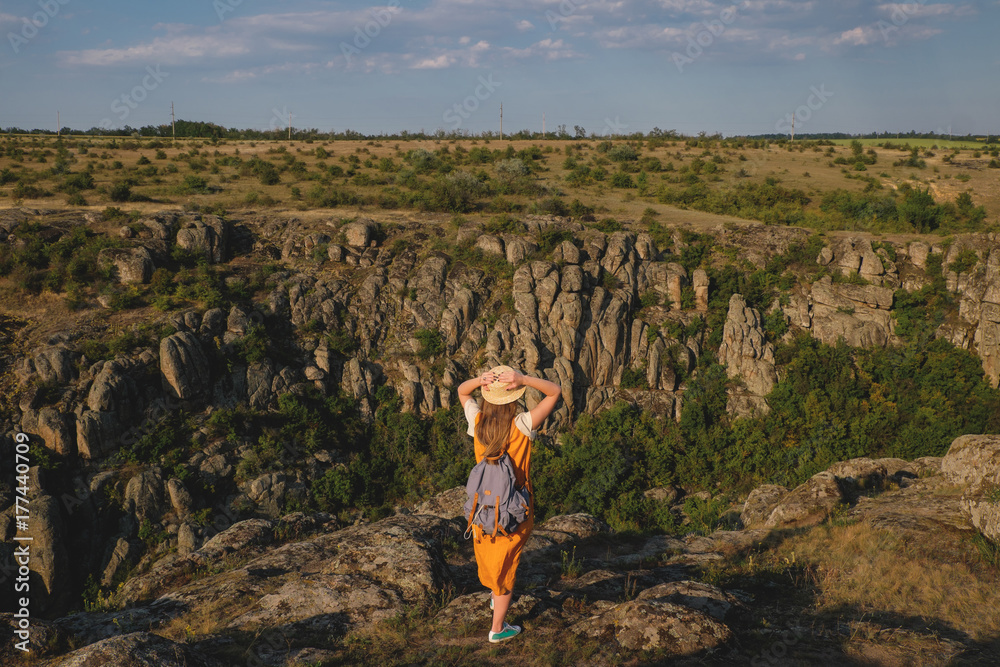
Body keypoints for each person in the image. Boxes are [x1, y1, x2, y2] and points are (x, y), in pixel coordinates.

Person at [457, 364, 562, 644]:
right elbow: (555, 393)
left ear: (486, 397)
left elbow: (461, 391)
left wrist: (479, 380)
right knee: (506, 570)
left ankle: (495, 597)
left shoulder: (477, 421)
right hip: (514, 511)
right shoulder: (522, 424)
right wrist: (524, 379)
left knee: (493, 559)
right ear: (513, 398)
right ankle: (498, 628)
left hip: (483, 509)